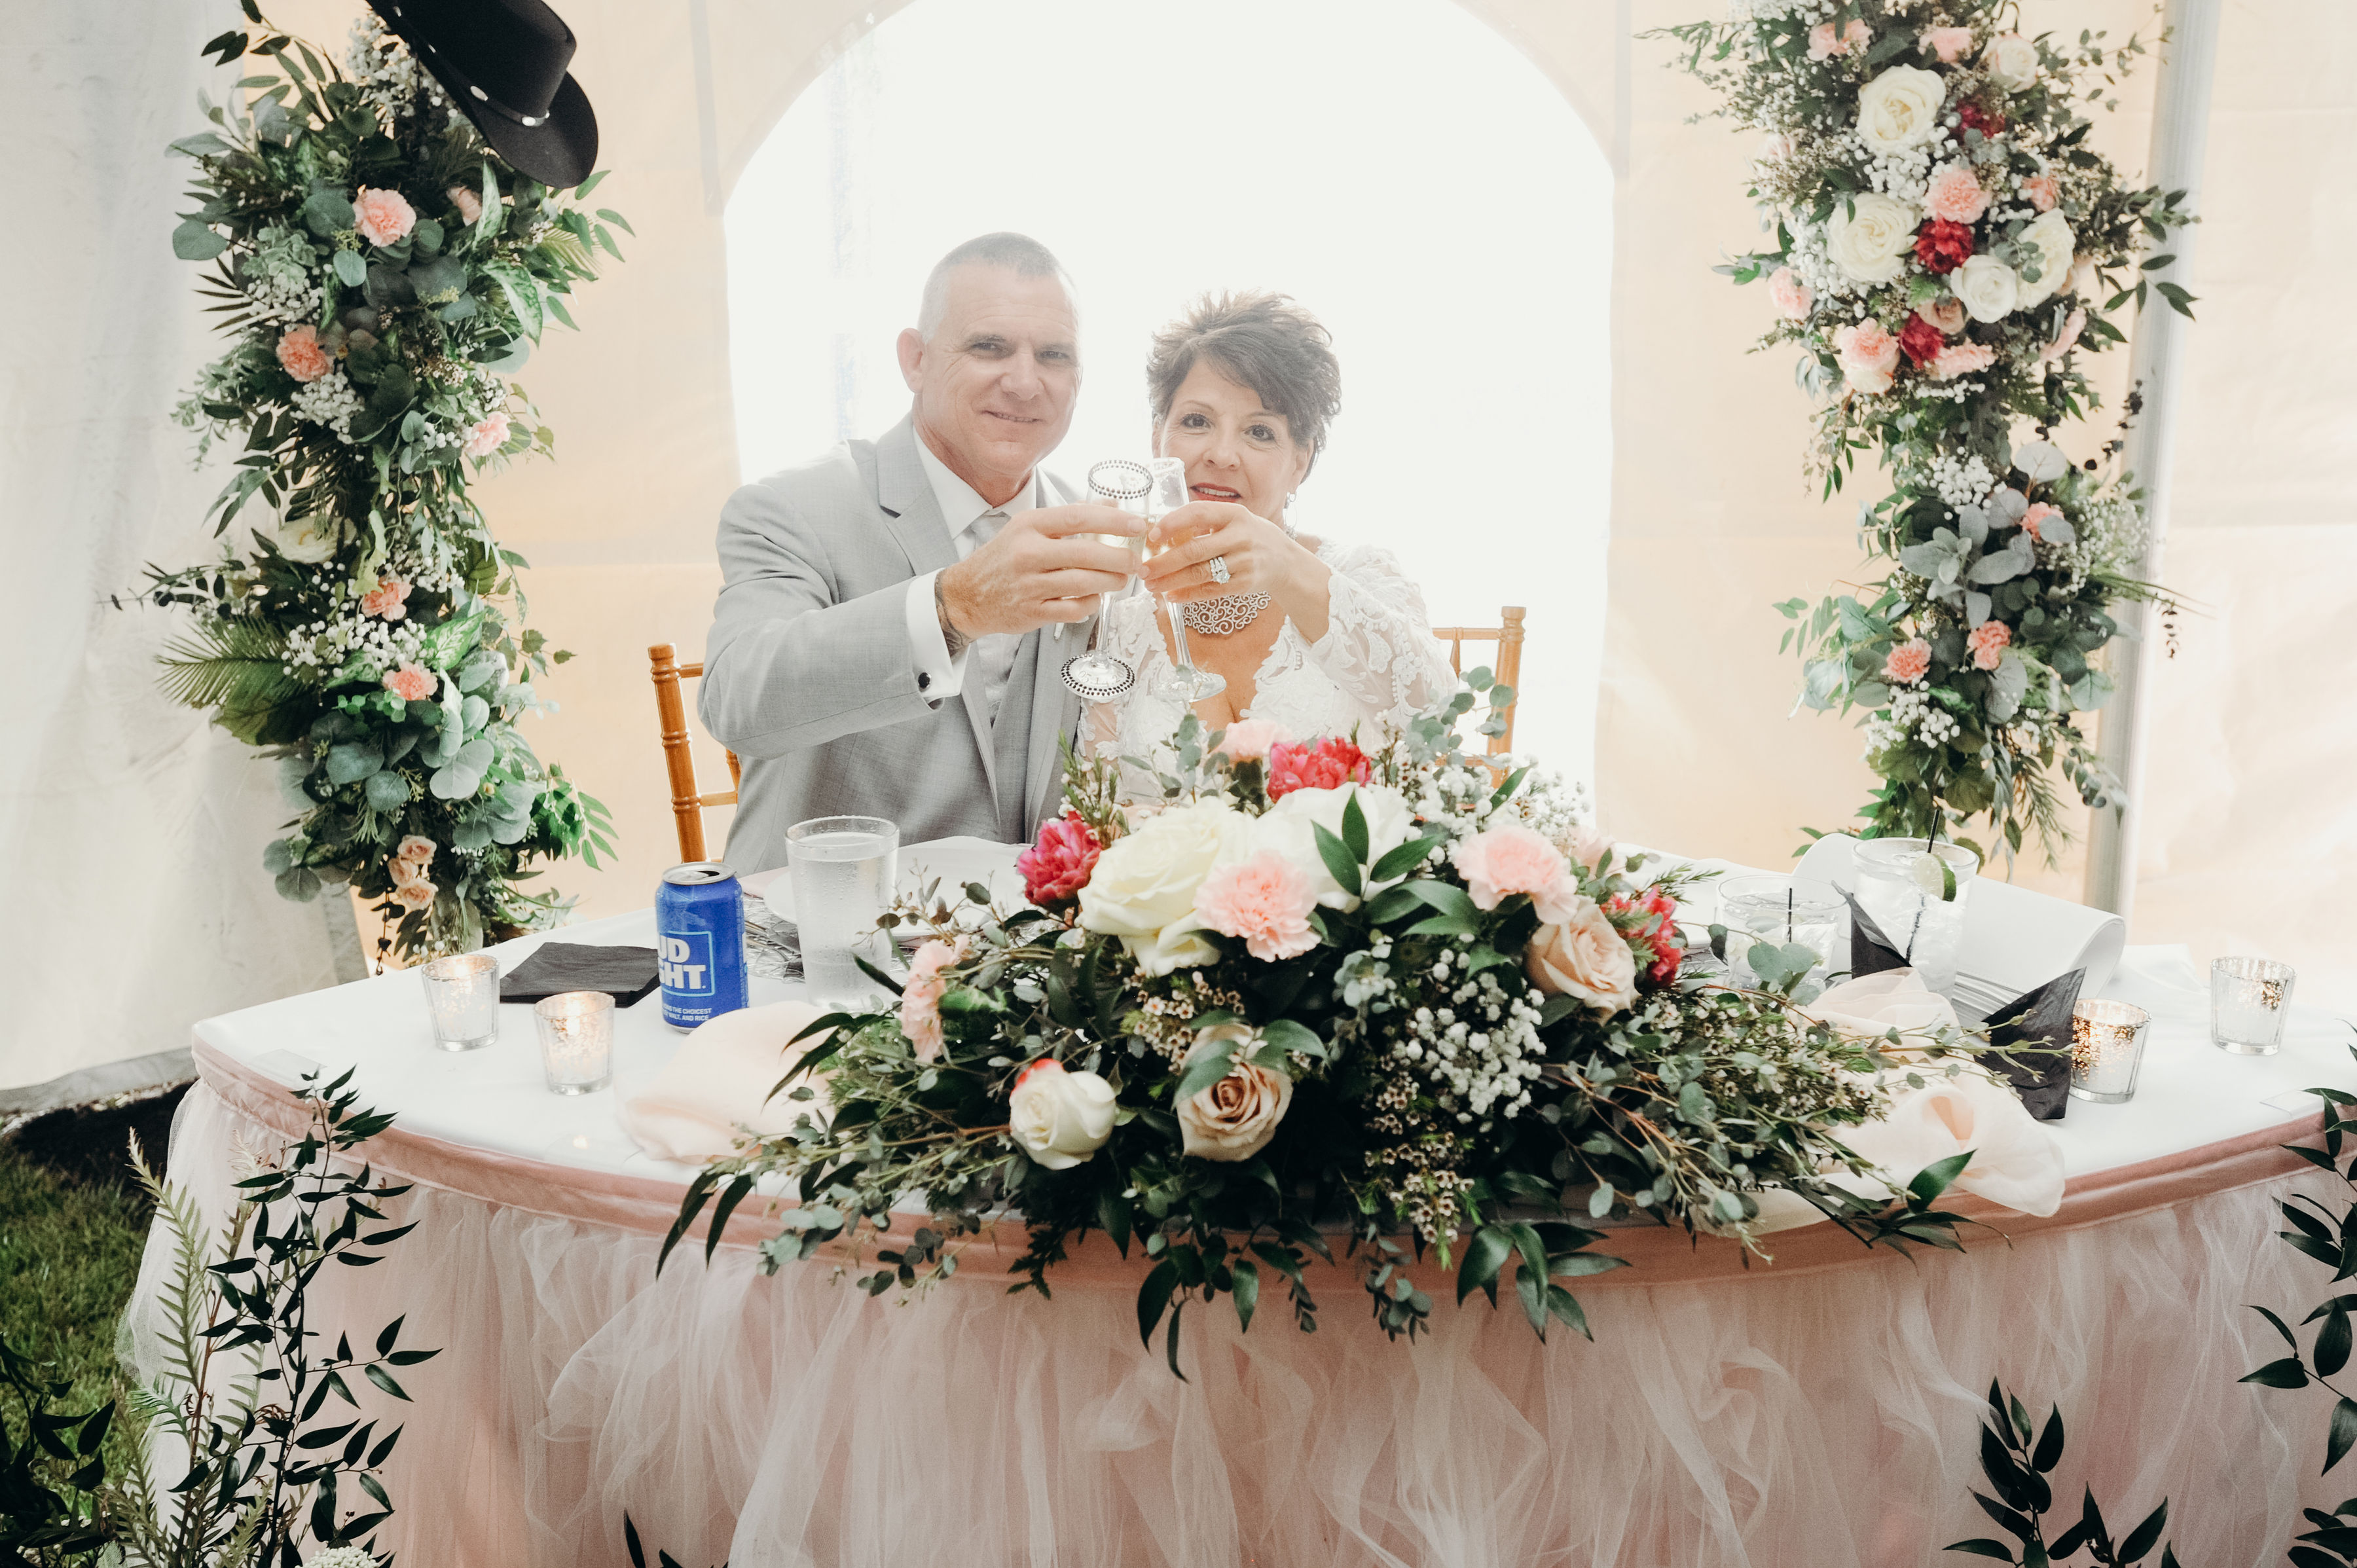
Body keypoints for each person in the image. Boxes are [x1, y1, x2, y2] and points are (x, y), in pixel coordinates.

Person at [699, 233, 1141, 868]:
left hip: (1033, 952)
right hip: (820, 946)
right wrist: (951, 609)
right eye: (990, 347)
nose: (1024, 381)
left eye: (1054, 355)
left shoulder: (1100, 535)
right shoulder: (792, 507)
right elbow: (738, 701)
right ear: (916, 360)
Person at [1091, 291, 1456, 776]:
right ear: (1157, 437)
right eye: (1197, 421)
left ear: (1300, 462)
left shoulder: (1362, 575)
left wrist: (1284, 566)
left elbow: (1437, 718)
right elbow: (1094, 806)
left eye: (1259, 432)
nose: (1222, 454)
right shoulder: (1121, 627)